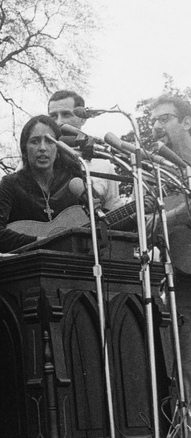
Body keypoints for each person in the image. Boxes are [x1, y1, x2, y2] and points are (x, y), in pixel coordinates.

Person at [0, 115, 83, 252]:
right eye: (35, 141)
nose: (42, 148)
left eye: (49, 141)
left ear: (58, 148)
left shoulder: (73, 181)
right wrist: (39, 242)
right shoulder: (11, 184)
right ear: (25, 149)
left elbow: (100, 219)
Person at [148, 94, 191, 405]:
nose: (156, 126)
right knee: (186, 364)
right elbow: (143, 223)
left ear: (186, 122)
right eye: (153, 121)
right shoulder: (153, 172)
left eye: (164, 119)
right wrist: (177, 215)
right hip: (183, 279)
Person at [47, 90, 125, 212]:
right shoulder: (37, 158)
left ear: (83, 119)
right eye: (53, 116)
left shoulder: (103, 165)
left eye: (66, 114)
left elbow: (112, 213)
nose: (59, 122)